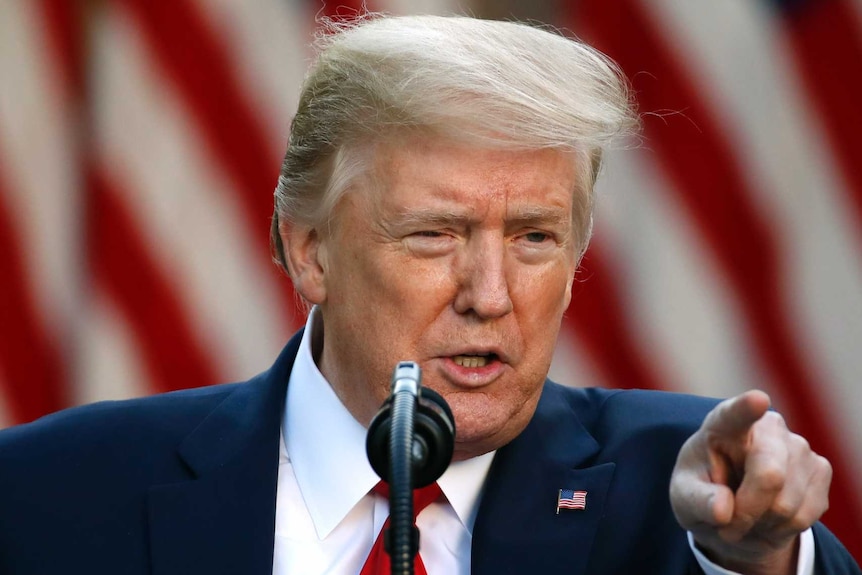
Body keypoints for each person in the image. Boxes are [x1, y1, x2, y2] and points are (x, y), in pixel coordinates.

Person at [0, 13, 858, 575]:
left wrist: (756, 557)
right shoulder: (49, 493)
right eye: (434, 235)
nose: (489, 295)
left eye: (533, 237)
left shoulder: (686, 496)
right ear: (309, 253)